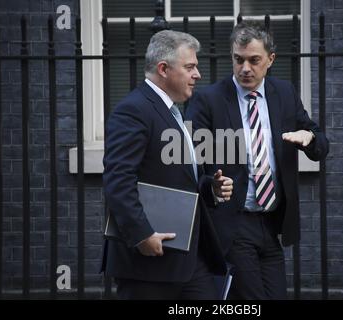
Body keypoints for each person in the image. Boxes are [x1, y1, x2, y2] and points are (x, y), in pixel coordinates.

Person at [186, 21, 329, 300]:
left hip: (271, 223)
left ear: (270, 60)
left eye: (254, 60)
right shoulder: (208, 100)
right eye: (238, 60)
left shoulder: (284, 93)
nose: (245, 68)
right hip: (233, 222)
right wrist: (210, 185)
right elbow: (187, 159)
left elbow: (320, 144)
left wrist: (309, 139)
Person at [102, 30, 234, 300]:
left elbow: (177, 177)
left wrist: (210, 189)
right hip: (148, 263)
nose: (197, 74)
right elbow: (118, 179)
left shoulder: (173, 112)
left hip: (189, 259)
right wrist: (142, 235)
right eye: (190, 67)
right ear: (163, 69)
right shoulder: (134, 110)